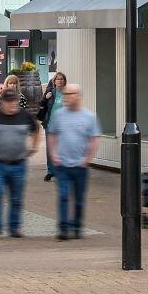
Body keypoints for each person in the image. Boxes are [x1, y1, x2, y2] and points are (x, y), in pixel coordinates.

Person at [0, 88, 39, 238]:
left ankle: (14, 227)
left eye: (15, 102)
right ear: (3, 103)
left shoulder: (25, 116)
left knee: (16, 197)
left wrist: (33, 146)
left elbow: (36, 129)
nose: (13, 105)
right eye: (9, 102)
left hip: (19, 164)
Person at [47, 83, 99, 240]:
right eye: (65, 94)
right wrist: (54, 154)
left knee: (78, 199)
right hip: (62, 164)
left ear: (78, 96)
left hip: (80, 166)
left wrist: (88, 158)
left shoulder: (89, 117)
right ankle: (63, 228)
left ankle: (76, 226)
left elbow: (94, 139)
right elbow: (52, 135)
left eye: (70, 94)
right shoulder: (58, 115)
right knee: (63, 195)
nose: (66, 97)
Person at [37, 71, 66, 182]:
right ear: (54, 81)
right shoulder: (50, 92)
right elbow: (41, 105)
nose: (60, 81)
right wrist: (45, 98)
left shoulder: (67, 93)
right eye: (58, 79)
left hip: (63, 126)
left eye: (62, 79)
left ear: (64, 81)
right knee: (50, 149)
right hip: (50, 124)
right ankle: (50, 171)